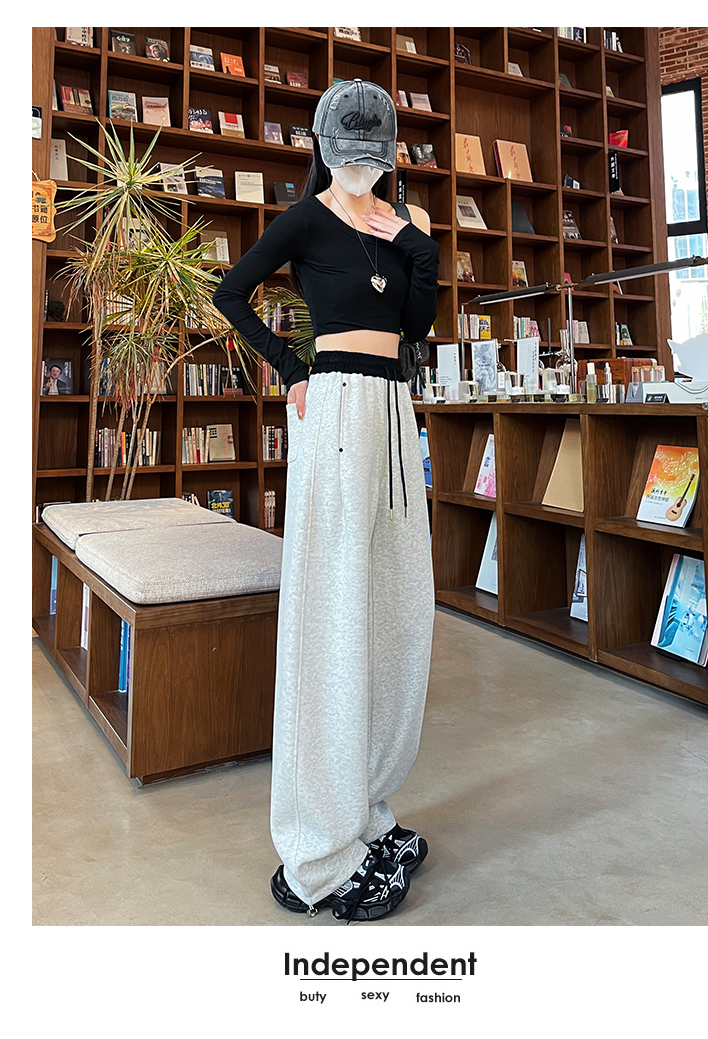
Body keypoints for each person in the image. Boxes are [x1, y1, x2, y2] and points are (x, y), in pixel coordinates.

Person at [213, 79, 439, 923]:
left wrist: (416, 244)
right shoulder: (306, 219)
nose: (358, 168)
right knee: (335, 613)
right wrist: (290, 366)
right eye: (346, 154)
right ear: (324, 149)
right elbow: (230, 291)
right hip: (337, 403)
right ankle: (321, 838)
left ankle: (367, 805)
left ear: (387, 156)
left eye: (371, 156)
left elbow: (418, 324)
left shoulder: (406, 221)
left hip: (394, 408)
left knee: (397, 607)